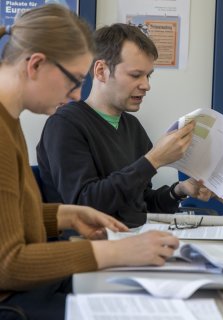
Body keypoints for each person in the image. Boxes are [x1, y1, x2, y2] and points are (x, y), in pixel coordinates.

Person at [0, 5, 179, 320]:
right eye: (73, 81)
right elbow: (8, 264)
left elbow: (9, 220)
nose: (73, 95)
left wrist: (63, 215)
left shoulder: (10, 121)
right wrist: (116, 251)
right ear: (36, 65)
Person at [37, 23, 214, 229]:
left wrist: (179, 190)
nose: (146, 85)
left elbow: (138, 204)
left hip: (133, 238)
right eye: (135, 75)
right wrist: (153, 160)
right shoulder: (64, 125)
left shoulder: (131, 126)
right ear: (101, 71)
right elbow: (84, 206)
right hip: (87, 246)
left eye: (148, 76)